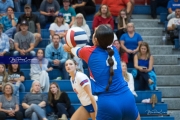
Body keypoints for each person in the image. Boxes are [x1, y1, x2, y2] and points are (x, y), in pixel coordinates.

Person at [63, 24, 141, 120]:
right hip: (127, 98)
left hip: (107, 103)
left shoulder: (88, 52)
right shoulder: (114, 50)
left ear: (95, 39)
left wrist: (68, 47)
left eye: (95, 32)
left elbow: (72, 49)